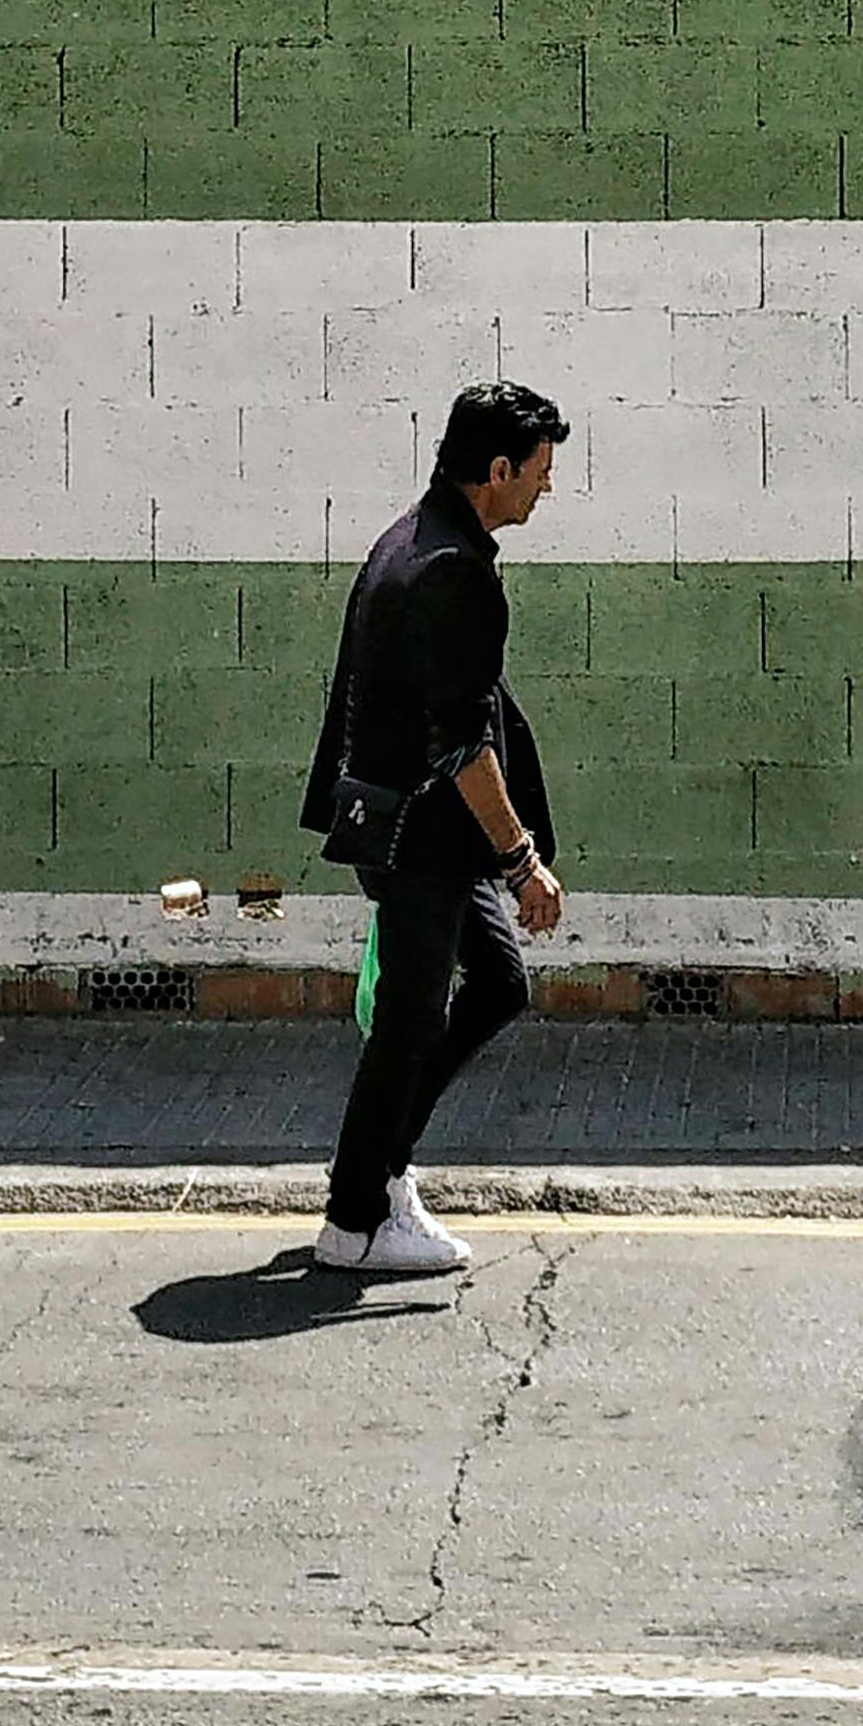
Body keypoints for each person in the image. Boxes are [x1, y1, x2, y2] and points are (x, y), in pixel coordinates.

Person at [301, 380, 570, 1278]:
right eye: (538, 470)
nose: (546, 487)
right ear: (497, 470)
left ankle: (381, 1171)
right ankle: (353, 1219)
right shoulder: (453, 571)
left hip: (408, 826)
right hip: (423, 836)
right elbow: (461, 744)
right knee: (410, 1025)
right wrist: (524, 860)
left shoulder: (412, 539)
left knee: (496, 985)